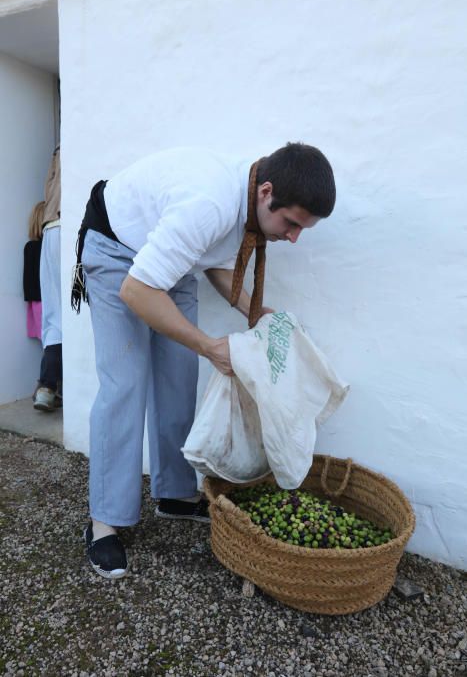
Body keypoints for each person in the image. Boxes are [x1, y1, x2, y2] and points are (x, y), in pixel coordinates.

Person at [72, 142, 336, 579]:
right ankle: (104, 521)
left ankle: (173, 494)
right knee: (126, 383)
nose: (293, 237)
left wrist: (253, 309)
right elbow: (137, 291)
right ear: (266, 191)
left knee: (178, 378)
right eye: (291, 223)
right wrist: (208, 345)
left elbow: (211, 260)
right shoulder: (210, 202)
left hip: (167, 267)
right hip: (118, 252)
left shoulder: (247, 206)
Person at [34, 146, 63, 412]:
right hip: (76, 226)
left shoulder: (57, 151)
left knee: (55, 314)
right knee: (79, 311)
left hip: (52, 227)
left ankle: (47, 386)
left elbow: (49, 189)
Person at [23, 201, 45, 342]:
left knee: (47, 344)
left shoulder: (30, 247)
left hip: (35, 300)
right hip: (43, 300)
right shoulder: (41, 247)